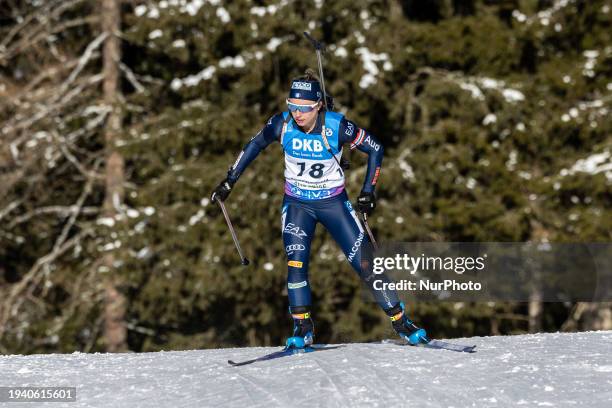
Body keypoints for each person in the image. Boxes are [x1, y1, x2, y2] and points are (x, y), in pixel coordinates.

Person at [211, 71, 427, 348]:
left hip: (333, 204)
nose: (297, 114)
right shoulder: (282, 123)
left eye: (304, 108)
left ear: (318, 106)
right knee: (296, 264)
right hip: (297, 205)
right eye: (292, 106)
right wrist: (229, 181)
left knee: (365, 264)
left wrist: (368, 192)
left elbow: (376, 149)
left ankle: (400, 320)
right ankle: (302, 326)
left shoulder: (336, 127)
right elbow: (253, 146)